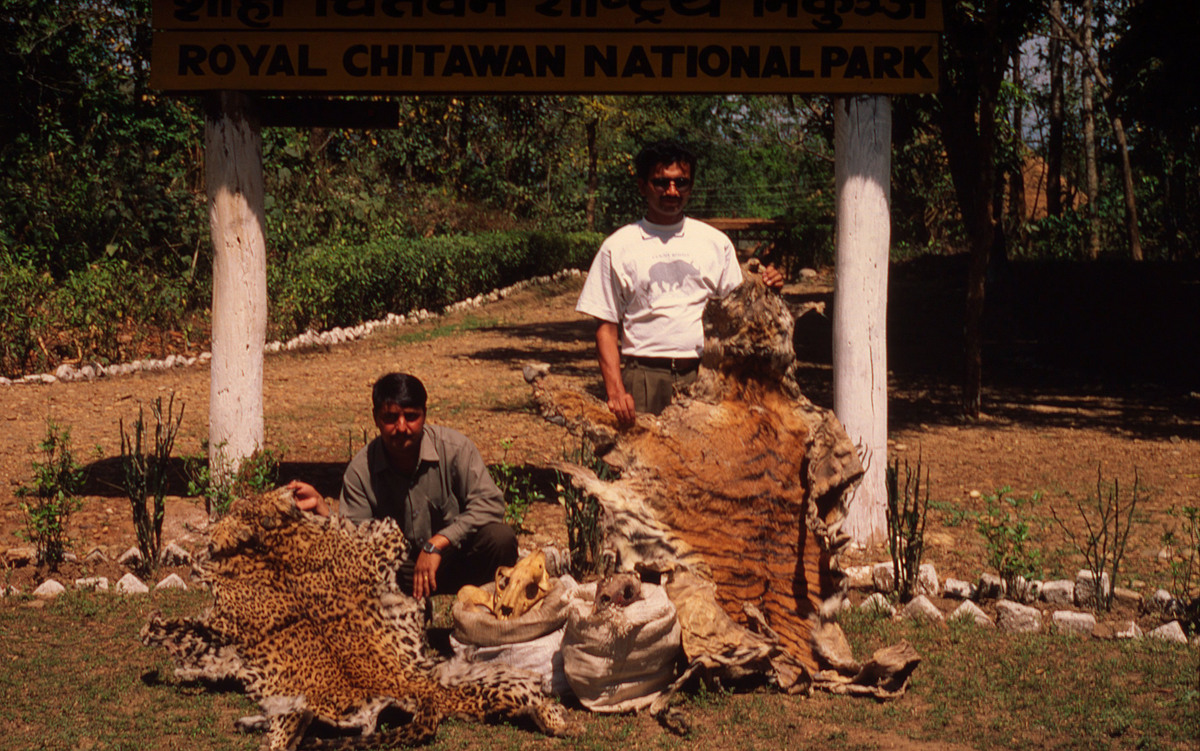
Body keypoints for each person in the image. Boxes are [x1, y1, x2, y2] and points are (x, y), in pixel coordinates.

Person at [575, 140, 784, 423]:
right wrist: (615, 391)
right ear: (642, 186)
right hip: (643, 379)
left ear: (690, 186)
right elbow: (606, 328)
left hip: (706, 375)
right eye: (661, 183)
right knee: (640, 465)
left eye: (681, 183)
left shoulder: (714, 243)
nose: (672, 191)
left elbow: (739, 315)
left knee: (707, 464)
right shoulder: (618, 246)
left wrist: (767, 289)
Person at [290, 372, 517, 599]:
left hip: (454, 558)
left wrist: (437, 543)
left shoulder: (456, 449)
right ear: (376, 418)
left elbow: (491, 504)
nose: (401, 427)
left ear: (424, 415)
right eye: (390, 418)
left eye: (411, 416)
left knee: (500, 538)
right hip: (400, 573)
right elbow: (355, 542)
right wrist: (322, 511)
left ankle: (484, 610)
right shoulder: (361, 470)